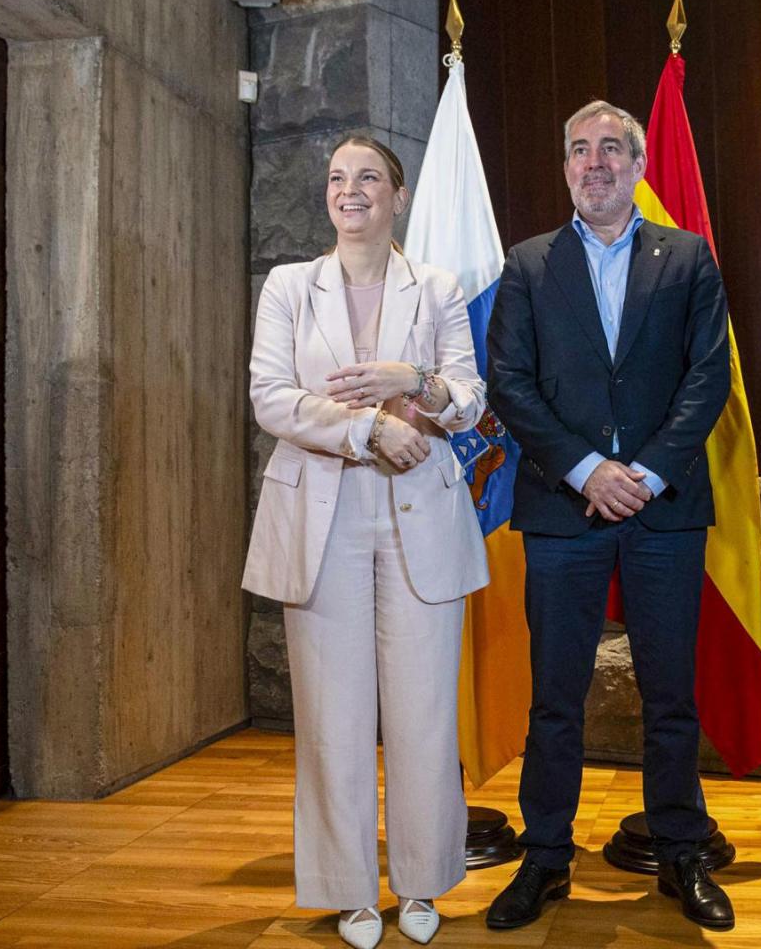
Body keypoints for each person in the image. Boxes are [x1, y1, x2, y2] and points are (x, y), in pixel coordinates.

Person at [482, 100, 735, 932]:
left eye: (612, 150)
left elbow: (707, 378)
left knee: (671, 696)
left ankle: (681, 852)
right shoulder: (526, 265)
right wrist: (590, 471)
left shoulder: (689, 257)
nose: (595, 163)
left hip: (664, 511)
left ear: (637, 165)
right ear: (565, 168)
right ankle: (546, 859)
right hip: (563, 509)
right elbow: (510, 383)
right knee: (556, 697)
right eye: (579, 150)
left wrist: (649, 473)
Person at [242, 135, 489, 949]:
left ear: (400, 195)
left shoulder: (440, 288)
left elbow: (465, 401)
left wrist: (409, 382)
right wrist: (371, 427)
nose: (351, 192)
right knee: (331, 716)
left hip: (423, 511)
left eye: (369, 178)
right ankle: (348, 890)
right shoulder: (287, 287)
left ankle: (422, 883)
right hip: (320, 517)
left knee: (423, 715)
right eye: (338, 179)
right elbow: (271, 399)